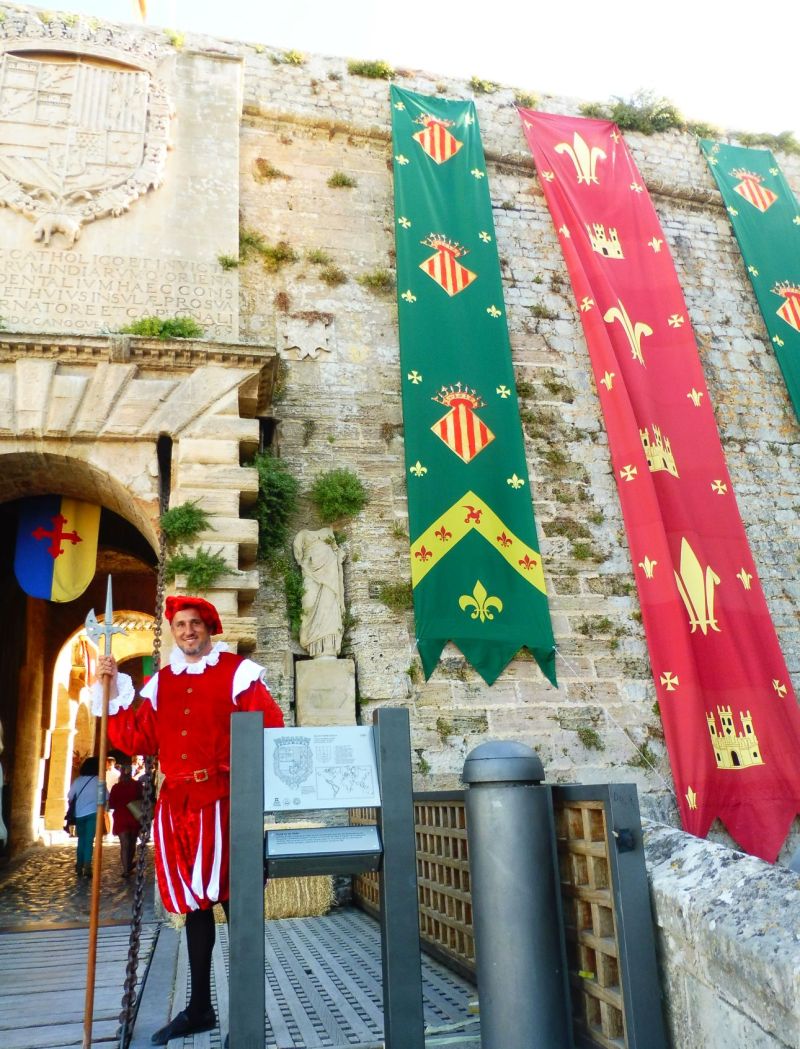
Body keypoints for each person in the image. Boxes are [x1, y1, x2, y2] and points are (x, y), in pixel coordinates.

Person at [94, 595, 284, 1047]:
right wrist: (110, 688)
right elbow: (137, 738)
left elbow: (270, 728)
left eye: (195, 623)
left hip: (224, 804)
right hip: (176, 808)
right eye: (180, 625)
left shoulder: (238, 673)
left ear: (209, 628)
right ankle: (200, 1008)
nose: (187, 631)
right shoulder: (161, 682)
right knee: (195, 909)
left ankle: (248, 1014)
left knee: (237, 906)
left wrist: (243, 783)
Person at [108, 762, 143, 876]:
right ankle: (128, 865)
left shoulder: (116, 787)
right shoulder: (137, 785)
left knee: (124, 844)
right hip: (134, 816)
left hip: (121, 817)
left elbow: (112, 804)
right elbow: (142, 799)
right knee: (132, 843)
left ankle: (126, 869)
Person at [67, 757, 99, 877]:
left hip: (79, 813)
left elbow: (70, 796)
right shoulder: (99, 780)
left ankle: (79, 865)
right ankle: (87, 865)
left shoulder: (78, 781)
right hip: (93, 813)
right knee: (89, 840)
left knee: (81, 840)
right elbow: (106, 796)